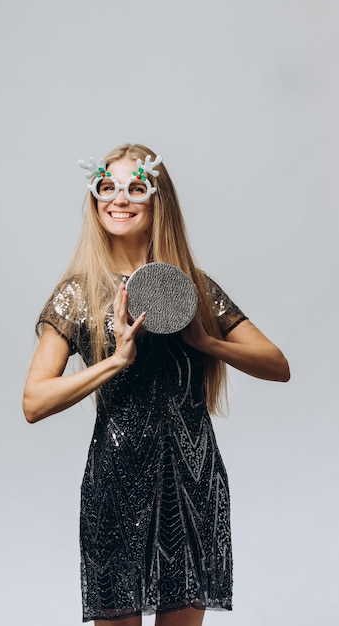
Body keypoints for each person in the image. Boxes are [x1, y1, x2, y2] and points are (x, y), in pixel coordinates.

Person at [22, 143, 290, 626]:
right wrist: (116, 360)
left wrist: (208, 341)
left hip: (192, 479)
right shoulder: (78, 293)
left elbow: (276, 364)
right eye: (107, 187)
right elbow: (34, 401)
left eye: (134, 188)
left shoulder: (192, 287)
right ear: (95, 197)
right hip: (118, 480)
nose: (118, 200)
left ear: (156, 199)